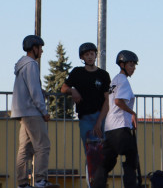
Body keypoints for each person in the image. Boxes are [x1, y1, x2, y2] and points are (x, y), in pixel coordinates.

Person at [60, 42, 111, 184]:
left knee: (103, 154)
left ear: (95, 55)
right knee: (90, 154)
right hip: (85, 119)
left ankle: (102, 182)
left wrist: (100, 121)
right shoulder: (77, 72)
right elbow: (63, 88)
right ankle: (92, 184)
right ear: (82, 57)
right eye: (86, 54)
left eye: (92, 54)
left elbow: (108, 100)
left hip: (101, 117)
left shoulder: (103, 75)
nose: (90, 57)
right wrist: (73, 90)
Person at [91, 50, 140, 188]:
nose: (133, 68)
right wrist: (132, 113)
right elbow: (118, 101)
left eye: (134, 65)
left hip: (110, 128)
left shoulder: (115, 80)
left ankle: (97, 185)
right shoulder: (123, 81)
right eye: (131, 65)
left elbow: (110, 102)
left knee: (106, 162)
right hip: (120, 127)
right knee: (131, 158)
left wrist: (100, 121)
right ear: (122, 64)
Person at [12, 35, 54, 188]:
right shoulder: (31, 65)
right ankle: (40, 180)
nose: (42, 51)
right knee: (43, 145)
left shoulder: (22, 65)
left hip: (22, 111)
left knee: (24, 148)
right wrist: (44, 111)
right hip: (32, 111)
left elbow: (29, 86)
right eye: (40, 48)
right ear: (33, 48)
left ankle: (22, 183)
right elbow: (34, 91)